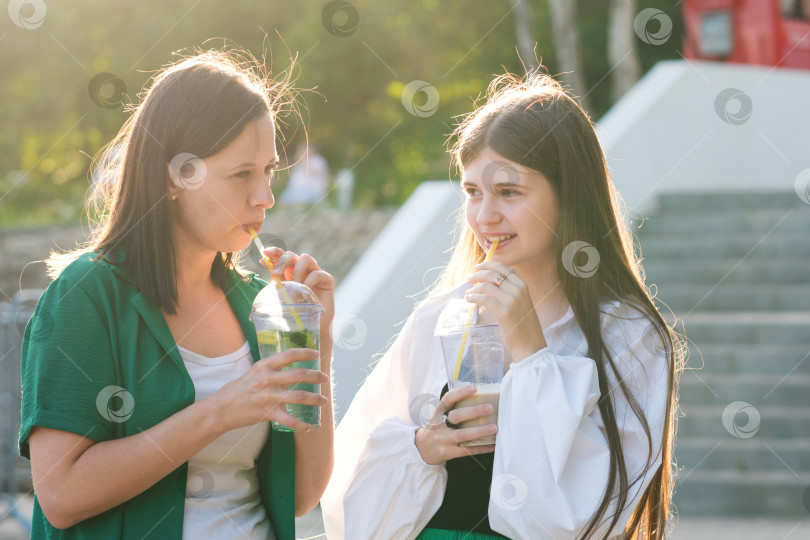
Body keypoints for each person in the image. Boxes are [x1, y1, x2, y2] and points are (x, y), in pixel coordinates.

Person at [321, 71, 682, 540]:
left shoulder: (628, 334)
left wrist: (532, 350)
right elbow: (350, 490)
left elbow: (580, 517)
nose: (484, 216)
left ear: (569, 194)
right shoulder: (441, 317)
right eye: (472, 192)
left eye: (509, 192)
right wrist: (421, 447)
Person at [18, 50, 335, 539]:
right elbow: (60, 495)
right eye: (241, 174)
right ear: (175, 175)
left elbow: (300, 496)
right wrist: (220, 411)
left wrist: (318, 342)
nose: (266, 197)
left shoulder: (257, 304)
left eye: (269, 171)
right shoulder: (84, 296)